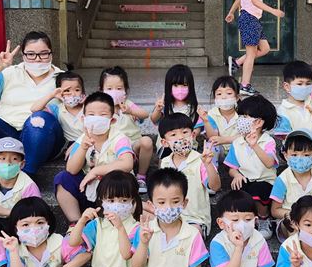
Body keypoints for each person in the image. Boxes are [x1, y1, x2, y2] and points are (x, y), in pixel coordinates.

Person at [0, 32, 64, 175]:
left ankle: (25, 177)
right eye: (31, 54)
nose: (37, 59)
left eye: (43, 54)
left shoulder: (63, 78)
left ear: (51, 54)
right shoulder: (10, 73)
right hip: (8, 136)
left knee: (39, 119)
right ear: (23, 55)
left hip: (43, 138)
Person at [54, 92, 135, 225]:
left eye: (102, 115)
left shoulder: (119, 138)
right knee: (63, 178)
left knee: (116, 184)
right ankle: (76, 223)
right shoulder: (83, 138)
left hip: (115, 190)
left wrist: (96, 171)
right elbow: (71, 169)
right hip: (89, 188)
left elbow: (127, 163)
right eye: (91, 115)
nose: (96, 119)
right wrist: (83, 148)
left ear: (112, 120)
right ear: (83, 119)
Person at [224, 0, 285, 97]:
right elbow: (256, 2)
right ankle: (245, 85)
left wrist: (231, 12)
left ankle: (237, 62)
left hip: (253, 20)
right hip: (249, 19)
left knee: (265, 48)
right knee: (251, 54)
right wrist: (274, 11)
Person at [224, 95, 279, 240]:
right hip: (246, 179)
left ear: (259, 122)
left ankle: (263, 218)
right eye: (240, 116)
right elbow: (232, 167)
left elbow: (269, 162)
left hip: (265, 182)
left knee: (258, 189)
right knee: (238, 192)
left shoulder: (268, 141)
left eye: (245, 117)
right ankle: (245, 220)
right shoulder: (237, 142)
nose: (240, 120)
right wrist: (236, 175)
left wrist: (254, 145)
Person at [159, 113, 221, 235]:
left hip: (195, 219)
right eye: (173, 135)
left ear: (192, 135)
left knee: (192, 233)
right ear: (165, 142)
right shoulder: (165, 162)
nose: (181, 137)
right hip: (171, 216)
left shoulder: (201, 160)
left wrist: (208, 165)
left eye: (185, 132)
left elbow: (215, 186)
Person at [269, 129, 312, 242]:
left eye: (306, 155)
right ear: (286, 155)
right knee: (294, 226)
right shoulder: (283, 179)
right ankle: (296, 251)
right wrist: (297, 215)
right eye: (294, 155)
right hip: (290, 218)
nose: (299, 158)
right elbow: (275, 210)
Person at [100, 66, 153, 194]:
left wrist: (131, 111)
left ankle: (141, 177)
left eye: (119, 88)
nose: (114, 92)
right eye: (109, 89)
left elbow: (145, 114)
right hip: (113, 149)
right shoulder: (101, 107)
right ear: (101, 90)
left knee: (147, 141)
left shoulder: (128, 104)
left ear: (125, 90)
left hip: (133, 146)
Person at [150, 64, 205, 156]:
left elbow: (198, 126)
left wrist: (195, 132)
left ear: (191, 86)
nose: (180, 89)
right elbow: (154, 119)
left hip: (187, 145)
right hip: (167, 145)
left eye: (184, 85)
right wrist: (158, 110)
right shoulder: (165, 105)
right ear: (168, 86)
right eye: (175, 85)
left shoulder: (194, 108)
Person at [30, 71, 86, 146]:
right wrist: (52, 95)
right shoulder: (57, 109)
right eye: (67, 90)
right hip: (72, 146)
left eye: (77, 90)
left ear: (83, 92)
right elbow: (34, 109)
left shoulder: (89, 107)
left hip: (91, 143)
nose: (73, 94)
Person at [204, 75, 241, 164]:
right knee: (211, 146)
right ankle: (212, 169)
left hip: (238, 150)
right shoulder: (211, 114)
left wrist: (225, 140)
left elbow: (246, 136)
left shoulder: (243, 114)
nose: (224, 97)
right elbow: (212, 137)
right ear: (215, 98)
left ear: (237, 97)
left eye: (229, 93)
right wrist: (206, 121)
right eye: (219, 94)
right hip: (220, 151)